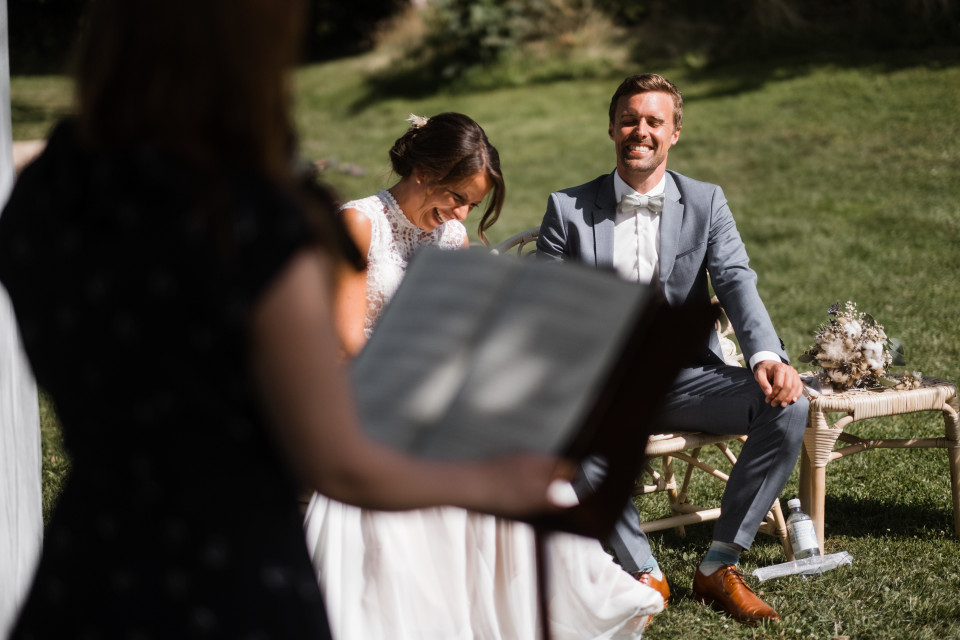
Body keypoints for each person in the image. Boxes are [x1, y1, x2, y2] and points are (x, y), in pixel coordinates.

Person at [0, 2, 568, 637]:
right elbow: (336, 459)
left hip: (90, 569)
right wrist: (491, 484)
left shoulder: (45, 196)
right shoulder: (253, 216)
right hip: (232, 574)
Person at [304, 113, 663, 639]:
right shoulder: (359, 224)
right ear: (424, 173)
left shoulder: (449, 236)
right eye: (458, 198)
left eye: (472, 206)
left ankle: (541, 597)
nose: (461, 214)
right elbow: (346, 342)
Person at [536, 73, 810, 625]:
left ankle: (719, 563)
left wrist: (766, 356)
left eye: (653, 121)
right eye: (628, 120)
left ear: (674, 132)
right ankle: (641, 569)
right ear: (612, 128)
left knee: (789, 405)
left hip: (686, 378)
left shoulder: (706, 201)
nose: (639, 131)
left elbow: (735, 279)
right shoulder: (567, 208)